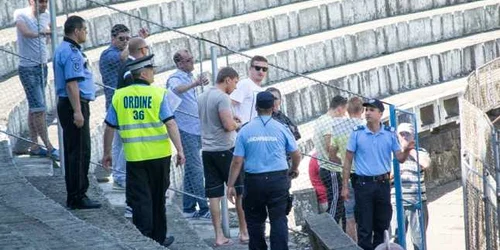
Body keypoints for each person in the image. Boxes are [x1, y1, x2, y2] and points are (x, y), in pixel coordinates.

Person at [101, 54, 185, 247]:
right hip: (160, 156)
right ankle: (158, 237)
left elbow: (109, 127)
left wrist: (107, 153)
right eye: (152, 69)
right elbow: (170, 123)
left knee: (140, 199)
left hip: (135, 156)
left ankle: (143, 238)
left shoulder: (119, 96)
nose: (154, 72)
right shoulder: (158, 94)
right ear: (144, 73)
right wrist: (180, 150)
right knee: (158, 198)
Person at [227, 91, 302, 250]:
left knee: (254, 222)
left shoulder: (245, 130)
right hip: (278, 180)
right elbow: (296, 153)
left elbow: (237, 161)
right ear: (273, 107)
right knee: (279, 219)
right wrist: (294, 169)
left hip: (255, 181)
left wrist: (230, 185)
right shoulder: (282, 128)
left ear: (256, 107)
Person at [341, 99, 414, 250]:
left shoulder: (389, 133)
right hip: (363, 185)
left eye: (371, 110)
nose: (367, 113)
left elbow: (399, 158)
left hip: (382, 184)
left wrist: (406, 150)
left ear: (380, 114)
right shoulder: (357, 133)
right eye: (366, 110)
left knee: (382, 226)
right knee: (365, 227)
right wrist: (345, 187)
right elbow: (347, 160)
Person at [197, 67, 248, 247]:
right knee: (240, 191)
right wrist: (237, 123)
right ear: (227, 79)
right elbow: (227, 126)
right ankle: (243, 232)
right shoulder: (223, 97)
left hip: (208, 150)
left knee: (214, 195)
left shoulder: (202, 96)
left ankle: (218, 235)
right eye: (235, 82)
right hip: (226, 149)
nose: (235, 87)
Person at [54, 15, 100, 209]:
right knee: (80, 152)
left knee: (76, 150)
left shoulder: (63, 48)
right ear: (77, 31)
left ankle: (76, 194)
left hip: (70, 104)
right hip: (74, 104)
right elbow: (72, 84)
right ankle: (77, 196)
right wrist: (78, 111)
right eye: (85, 30)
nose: (86, 34)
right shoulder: (72, 52)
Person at [99, 25, 149, 190]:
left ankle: (119, 175)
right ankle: (120, 175)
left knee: (120, 141)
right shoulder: (108, 55)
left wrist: (137, 41)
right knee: (125, 140)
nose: (125, 42)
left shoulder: (123, 54)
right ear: (112, 39)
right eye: (122, 39)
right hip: (117, 103)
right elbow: (124, 56)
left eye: (128, 39)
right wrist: (137, 41)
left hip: (122, 102)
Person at [167, 49, 211, 220]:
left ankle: (188, 206)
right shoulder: (175, 77)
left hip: (195, 127)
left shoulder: (189, 77)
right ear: (179, 63)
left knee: (192, 169)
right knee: (196, 168)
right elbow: (176, 89)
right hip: (185, 129)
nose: (192, 62)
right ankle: (204, 206)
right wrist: (195, 84)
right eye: (188, 60)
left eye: (192, 59)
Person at [14, 0, 59, 160]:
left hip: (42, 66)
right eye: (41, 1)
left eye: (46, 1)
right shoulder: (21, 15)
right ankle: (48, 146)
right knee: (39, 108)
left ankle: (34, 144)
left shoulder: (46, 16)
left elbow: (49, 32)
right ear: (31, 1)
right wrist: (43, 33)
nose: (44, 4)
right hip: (28, 68)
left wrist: (48, 32)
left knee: (34, 107)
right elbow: (25, 32)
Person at [390, 123, 431, 250]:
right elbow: (388, 175)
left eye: (407, 134)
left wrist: (410, 150)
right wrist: (401, 153)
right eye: (401, 134)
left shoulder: (420, 151)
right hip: (397, 202)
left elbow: (426, 163)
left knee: (419, 240)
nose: (404, 137)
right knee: (395, 239)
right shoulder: (392, 153)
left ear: (413, 136)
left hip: (417, 202)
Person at [330, 96, 365, 241]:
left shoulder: (338, 128)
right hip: (365, 176)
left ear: (347, 110)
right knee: (366, 214)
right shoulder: (366, 127)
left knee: (349, 215)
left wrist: (343, 162)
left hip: (347, 175)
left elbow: (332, 154)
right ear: (362, 110)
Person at [312, 95, 347, 227]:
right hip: (331, 169)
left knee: (340, 204)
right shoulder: (329, 122)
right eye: (343, 112)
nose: (344, 116)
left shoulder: (321, 120)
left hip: (327, 167)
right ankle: (328, 231)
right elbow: (329, 147)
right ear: (339, 109)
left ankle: (342, 233)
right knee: (335, 204)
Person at [230, 55, 268, 124]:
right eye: (257, 68)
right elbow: (229, 104)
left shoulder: (262, 90)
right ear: (250, 69)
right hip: (241, 129)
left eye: (264, 69)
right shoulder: (244, 84)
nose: (261, 71)